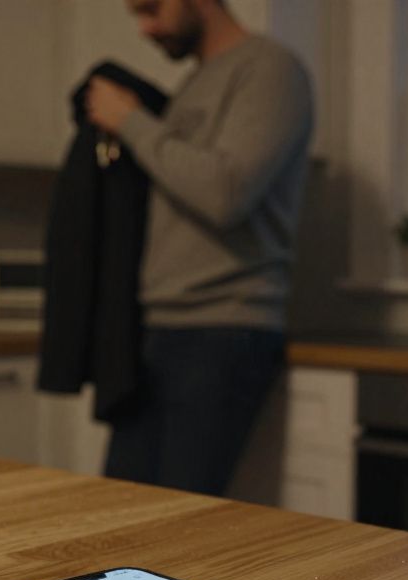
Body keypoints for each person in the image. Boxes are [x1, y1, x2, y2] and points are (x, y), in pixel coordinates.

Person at [83, 0, 314, 496]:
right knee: (121, 511)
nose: (144, 29)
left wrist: (132, 122)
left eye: (151, 9)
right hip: (160, 328)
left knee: (178, 528)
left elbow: (226, 193)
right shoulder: (194, 84)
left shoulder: (271, 68)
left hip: (223, 331)